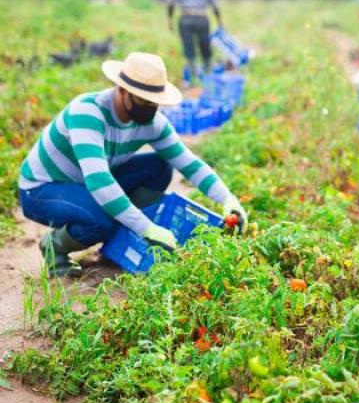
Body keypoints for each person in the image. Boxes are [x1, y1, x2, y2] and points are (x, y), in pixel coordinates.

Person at [18, 52, 248, 277]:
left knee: (159, 166)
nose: (148, 107)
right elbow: (99, 182)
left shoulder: (152, 122)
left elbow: (190, 164)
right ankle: (54, 247)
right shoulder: (88, 112)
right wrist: (146, 227)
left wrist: (228, 199)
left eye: (154, 102)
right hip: (42, 188)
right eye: (142, 100)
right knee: (101, 220)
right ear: (122, 90)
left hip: (86, 182)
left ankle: (118, 238)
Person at [166, 0, 221, 86]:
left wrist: (169, 18)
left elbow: (171, 0)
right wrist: (219, 18)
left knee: (189, 48)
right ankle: (208, 77)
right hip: (201, 17)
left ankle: (192, 79)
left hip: (185, 17)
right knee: (205, 48)